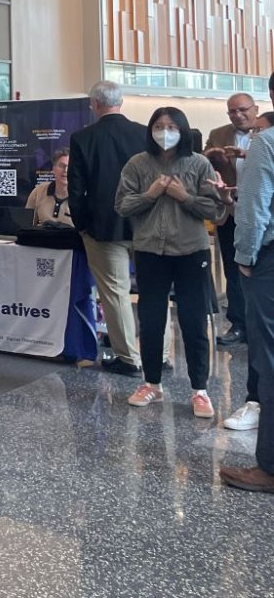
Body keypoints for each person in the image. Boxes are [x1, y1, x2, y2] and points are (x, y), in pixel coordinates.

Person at [116, 107, 224, 418]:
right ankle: (151, 383)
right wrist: (150, 194)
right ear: (150, 129)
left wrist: (183, 196)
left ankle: (199, 390)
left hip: (191, 252)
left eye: (171, 126)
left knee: (192, 321)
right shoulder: (137, 164)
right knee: (150, 320)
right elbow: (122, 205)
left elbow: (215, 211)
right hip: (150, 251)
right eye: (159, 125)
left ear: (183, 129)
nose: (165, 131)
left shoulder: (199, 164)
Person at [67, 80, 148, 376]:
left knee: (115, 293)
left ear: (95, 105)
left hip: (103, 228)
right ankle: (159, 355)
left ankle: (129, 358)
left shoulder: (83, 138)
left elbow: (76, 189)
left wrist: (82, 224)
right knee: (154, 291)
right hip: (146, 225)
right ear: (121, 102)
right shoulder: (143, 133)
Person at [224, 73, 274, 491]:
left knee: (270, 361)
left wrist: (243, 257)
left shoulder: (266, 143)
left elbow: (254, 207)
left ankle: (269, 468)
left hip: (269, 264)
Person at [205, 92, 261, 347]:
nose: (238, 115)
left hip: (261, 211)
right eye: (232, 112)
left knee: (262, 267)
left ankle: (261, 322)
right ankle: (238, 323)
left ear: (255, 108)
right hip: (229, 209)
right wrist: (212, 156)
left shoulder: (267, 133)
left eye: (243, 110)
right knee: (233, 267)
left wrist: (246, 156)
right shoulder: (218, 134)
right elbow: (203, 165)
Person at [25, 149, 74, 227]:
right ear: (53, 169)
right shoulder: (39, 191)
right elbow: (27, 226)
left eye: (70, 166)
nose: (65, 170)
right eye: (61, 166)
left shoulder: (83, 196)